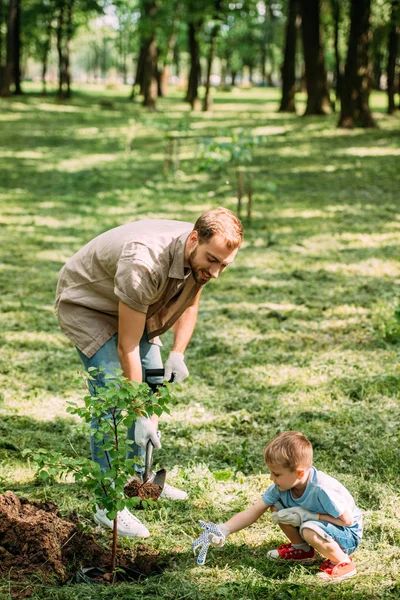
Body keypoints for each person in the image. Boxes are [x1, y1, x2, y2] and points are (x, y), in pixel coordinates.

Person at [55, 207, 243, 538]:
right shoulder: (143, 263)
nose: (215, 272)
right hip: (90, 307)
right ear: (194, 239)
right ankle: (108, 505)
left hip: (135, 305)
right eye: (212, 261)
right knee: (114, 395)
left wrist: (176, 353)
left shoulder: (204, 251)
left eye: (224, 265)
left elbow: (191, 300)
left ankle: (139, 481)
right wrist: (139, 412)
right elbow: (126, 347)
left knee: (153, 377)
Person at [193, 431, 362, 583]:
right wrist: (224, 529)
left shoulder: (321, 489)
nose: (271, 478)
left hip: (346, 535)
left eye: (277, 474)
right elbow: (253, 512)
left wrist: (309, 516)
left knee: (309, 529)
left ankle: (342, 562)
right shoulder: (280, 488)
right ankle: (302, 550)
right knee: (276, 507)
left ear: (300, 473)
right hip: (321, 528)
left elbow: (347, 521)